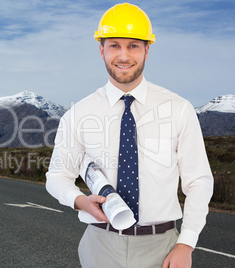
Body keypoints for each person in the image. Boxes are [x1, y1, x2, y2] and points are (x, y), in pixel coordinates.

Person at [45, 3, 213, 268]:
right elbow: (57, 176)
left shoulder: (178, 109)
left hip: (163, 247)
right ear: (101, 50)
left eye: (133, 45)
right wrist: (79, 201)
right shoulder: (79, 114)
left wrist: (186, 244)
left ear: (148, 49)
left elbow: (199, 181)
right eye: (114, 45)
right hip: (100, 245)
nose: (123, 55)